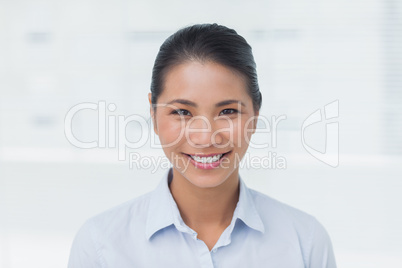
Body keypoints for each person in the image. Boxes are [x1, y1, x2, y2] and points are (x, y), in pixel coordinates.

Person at [68, 23, 337, 268]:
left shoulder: (306, 243)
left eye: (228, 111)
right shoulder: (100, 246)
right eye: (182, 113)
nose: (205, 137)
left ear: (255, 115)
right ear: (153, 114)